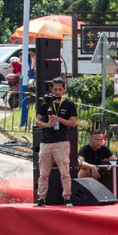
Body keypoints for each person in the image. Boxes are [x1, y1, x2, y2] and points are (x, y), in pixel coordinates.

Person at [35, 77, 78, 208]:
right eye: (55, 89)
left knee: (64, 171)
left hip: (61, 140)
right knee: (43, 172)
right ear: (51, 89)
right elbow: (38, 121)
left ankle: (67, 197)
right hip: (46, 141)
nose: (57, 92)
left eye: (60, 89)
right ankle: (41, 197)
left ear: (64, 90)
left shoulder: (69, 104)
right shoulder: (45, 103)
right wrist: (48, 124)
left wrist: (58, 119)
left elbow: (72, 123)